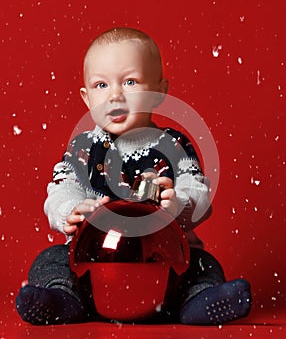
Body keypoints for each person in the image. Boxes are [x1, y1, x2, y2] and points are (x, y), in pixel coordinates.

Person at [16, 27, 251, 325]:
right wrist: (69, 211)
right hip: (94, 271)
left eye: (130, 82)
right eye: (101, 85)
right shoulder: (84, 148)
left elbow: (199, 193)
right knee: (50, 260)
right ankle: (63, 298)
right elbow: (62, 189)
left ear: (159, 92)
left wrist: (178, 203)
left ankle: (198, 300)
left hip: (166, 269)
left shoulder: (174, 146)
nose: (115, 95)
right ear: (87, 99)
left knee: (204, 263)